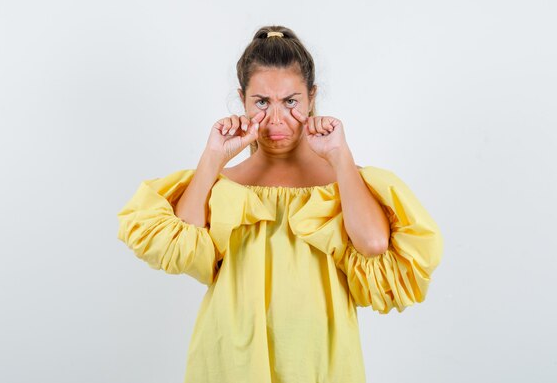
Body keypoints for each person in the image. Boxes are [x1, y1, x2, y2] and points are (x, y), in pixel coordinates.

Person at [117, 25, 444, 383]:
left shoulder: (344, 182)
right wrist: (213, 157)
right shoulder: (226, 184)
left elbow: (375, 245)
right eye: (262, 102)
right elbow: (179, 245)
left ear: (311, 97)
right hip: (232, 358)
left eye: (291, 102)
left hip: (320, 359)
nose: (276, 119)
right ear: (242, 99)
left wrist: (340, 157)